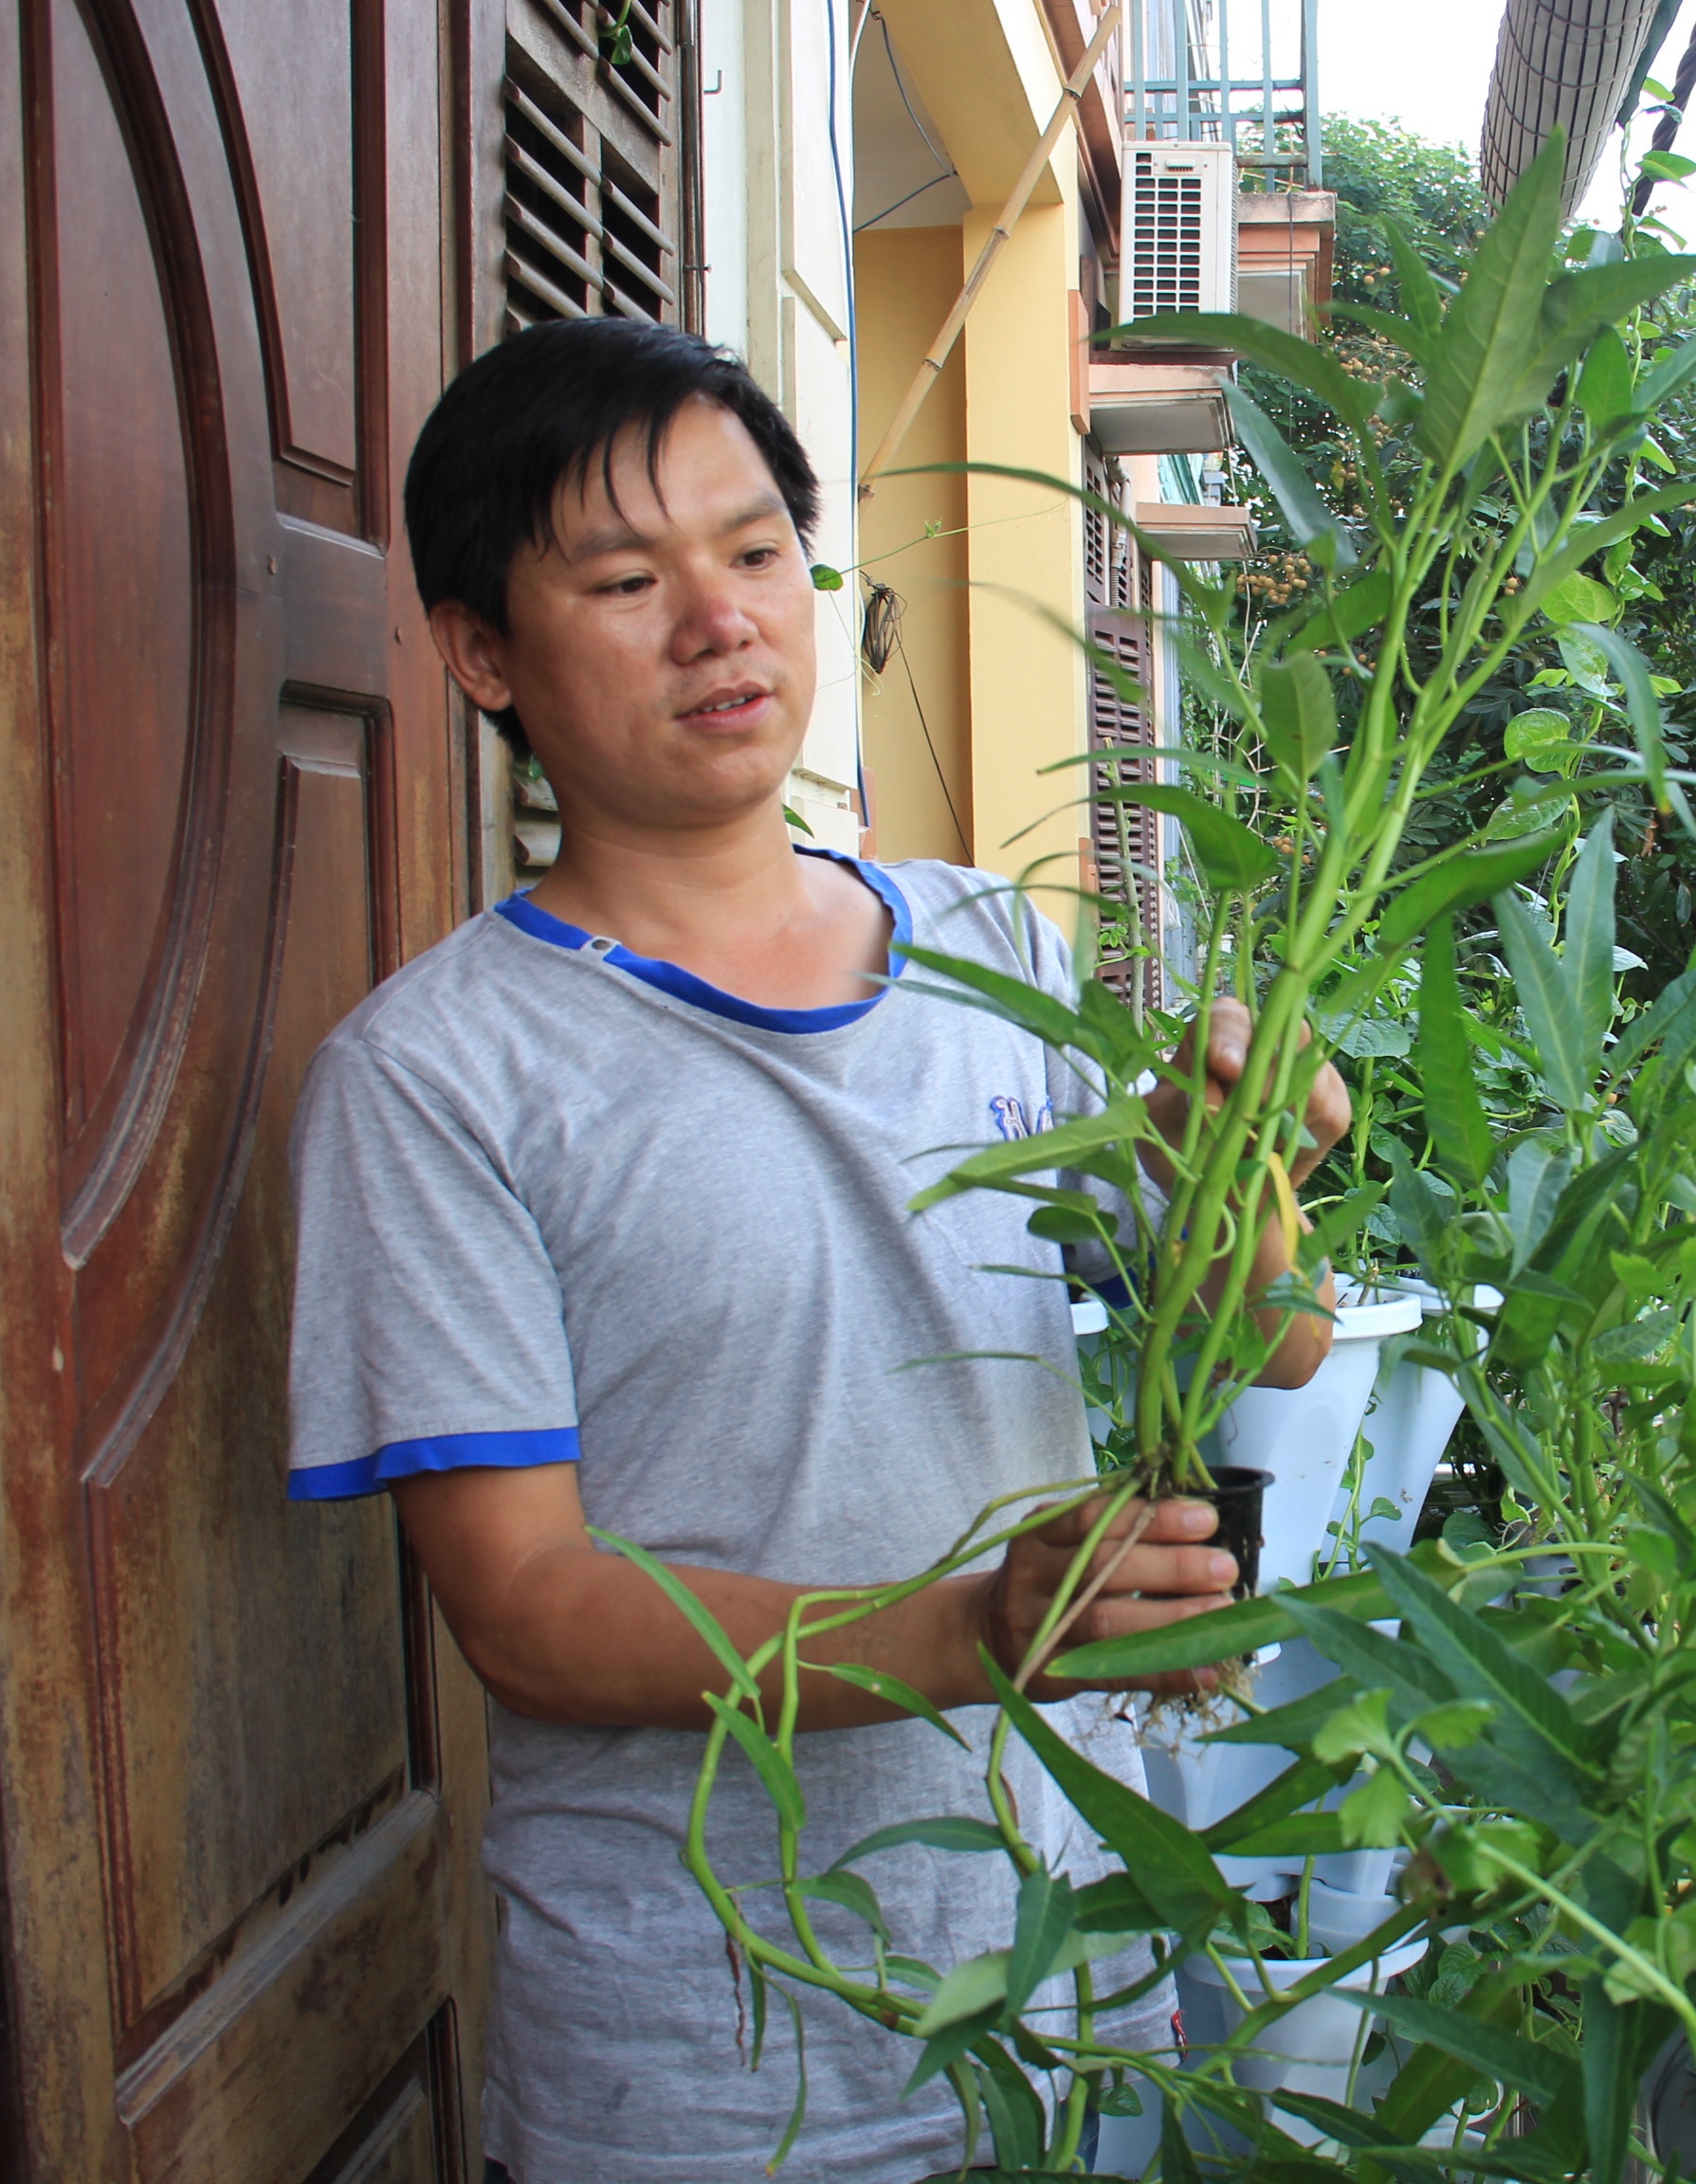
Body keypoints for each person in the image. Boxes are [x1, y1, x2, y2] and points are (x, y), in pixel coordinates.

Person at [283, 316, 1347, 2183]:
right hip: (702, 2065)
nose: (721, 622)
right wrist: (966, 1631)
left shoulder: (988, 950)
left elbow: (1271, 1340)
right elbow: (525, 1610)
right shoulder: (437, 1078)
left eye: (758, 548)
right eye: (627, 578)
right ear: (478, 655)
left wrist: (1238, 1167)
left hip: (1055, 1982)